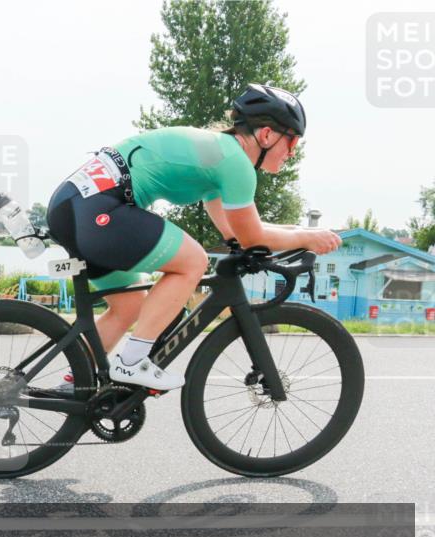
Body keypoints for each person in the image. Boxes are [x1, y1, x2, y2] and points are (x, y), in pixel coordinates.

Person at [45, 83, 341, 391]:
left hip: (75, 208)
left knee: (129, 305)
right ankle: (131, 362)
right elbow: (253, 236)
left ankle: (75, 386)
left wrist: (301, 233)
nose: (292, 153)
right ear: (266, 135)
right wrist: (307, 238)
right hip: (98, 210)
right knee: (193, 261)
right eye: (291, 142)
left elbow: (235, 231)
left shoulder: (218, 158)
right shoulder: (235, 163)